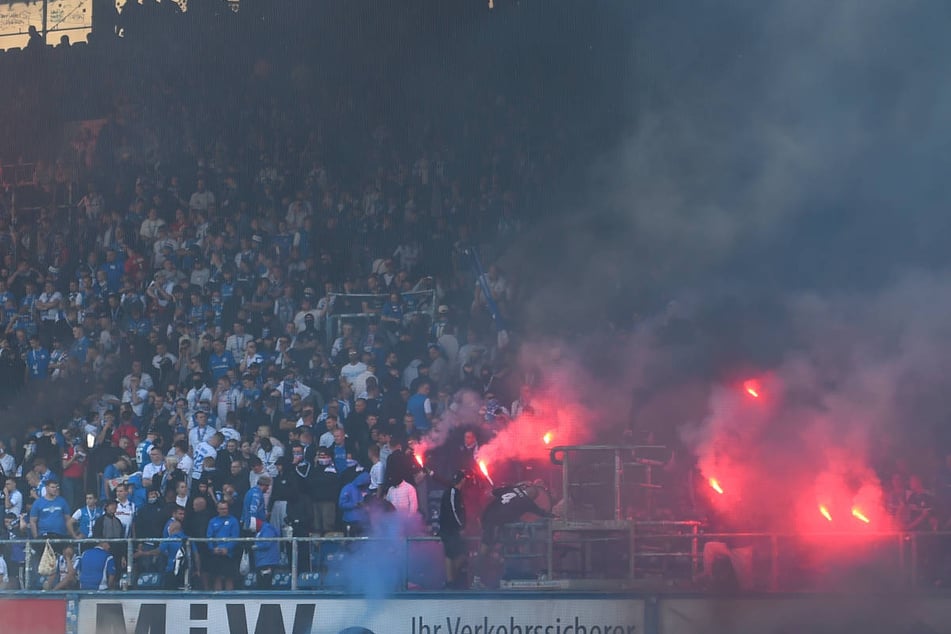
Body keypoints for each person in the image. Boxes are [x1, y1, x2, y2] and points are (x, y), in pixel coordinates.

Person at [473, 481, 554, 589]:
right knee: (484, 551)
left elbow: (493, 493)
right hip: (494, 523)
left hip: (487, 515)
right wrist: (555, 516)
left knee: (488, 549)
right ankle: (477, 580)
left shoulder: (511, 488)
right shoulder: (527, 502)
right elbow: (542, 512)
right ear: (532, 497)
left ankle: (481, 578)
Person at [439, 470, 471, 589]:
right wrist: (461, 527)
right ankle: (450, 580)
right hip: (450, 530)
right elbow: (453, 511)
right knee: (452, 554)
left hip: (451, 530)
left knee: (457, 554)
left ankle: (451, 579)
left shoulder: (457, 492)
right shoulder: (453, 492)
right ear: (462, 480)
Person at [206, 501, 239, 590]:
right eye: (221, 509)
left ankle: (230, 599)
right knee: (217, 577)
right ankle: (217, 600)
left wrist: (227, 548)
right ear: (217, 510)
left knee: (229, 577)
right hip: (216, 553)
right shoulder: (212, 521)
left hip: (229, 554)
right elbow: (209, 537)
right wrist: (213, 549)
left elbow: (235, 536)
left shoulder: (233, 521)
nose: (224, 511)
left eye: (225, 509)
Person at [249, 517, 281, 589]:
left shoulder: (267, 529)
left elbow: (266, 543)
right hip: (261, 561)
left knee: (265, 583)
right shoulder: (259, 531)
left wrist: (255, 547)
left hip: (267, 561)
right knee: (260, 583)